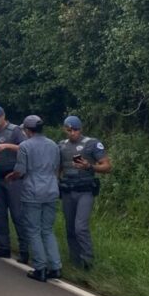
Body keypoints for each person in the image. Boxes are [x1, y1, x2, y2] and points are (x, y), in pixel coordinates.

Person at [6, 115, 62, 282]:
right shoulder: (54, 145)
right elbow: (56, 168)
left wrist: (11, 176)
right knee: (47, 230)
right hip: (51, 189)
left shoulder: (25, 146)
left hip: (33, 191)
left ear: (28, 131)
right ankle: (56, 266)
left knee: (33, 230)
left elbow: (21, 170)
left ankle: (40, 268)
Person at [59, 115, 112, 270]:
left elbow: (107, 166)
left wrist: (89, 166)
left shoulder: (92, 144)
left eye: (75, 130)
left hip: (85, 191)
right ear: (65, 130)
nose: (72, 133)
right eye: (69, 130)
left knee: (80, 227)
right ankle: (75, 263)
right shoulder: (61, 146)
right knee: (69, 228)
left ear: (80, 129)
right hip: (68, 190)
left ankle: (87, 260)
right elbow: (59, 168)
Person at [0, 106, 30, 263]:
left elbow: (26, 148)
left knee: (18, 214)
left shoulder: (15, 131)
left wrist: (7, 146)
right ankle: (3, 247)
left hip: (13, 177)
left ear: (3, 117)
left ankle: (24, 250)